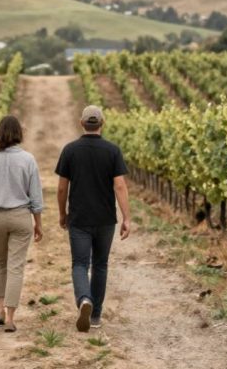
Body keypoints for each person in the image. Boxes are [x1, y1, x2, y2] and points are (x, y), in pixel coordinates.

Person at [55, 105, 131, 333]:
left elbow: (61, 188)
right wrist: (126, 217)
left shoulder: (70, 150)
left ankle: (84, 299)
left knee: (80, 263)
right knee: (100, 265)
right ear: (102, 123)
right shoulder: (112, 150)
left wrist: (62, 213)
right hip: (105, 218)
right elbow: (119, 185)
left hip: (79, 218)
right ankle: (96, 315)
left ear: (81, 123)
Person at [0, 115, 44, 333]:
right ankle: (11, 318)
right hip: (21, 216)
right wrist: (37, 222)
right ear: (18, 134)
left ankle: (0, 310)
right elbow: (36, 196)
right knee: (16, 267)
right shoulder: (28, 159)